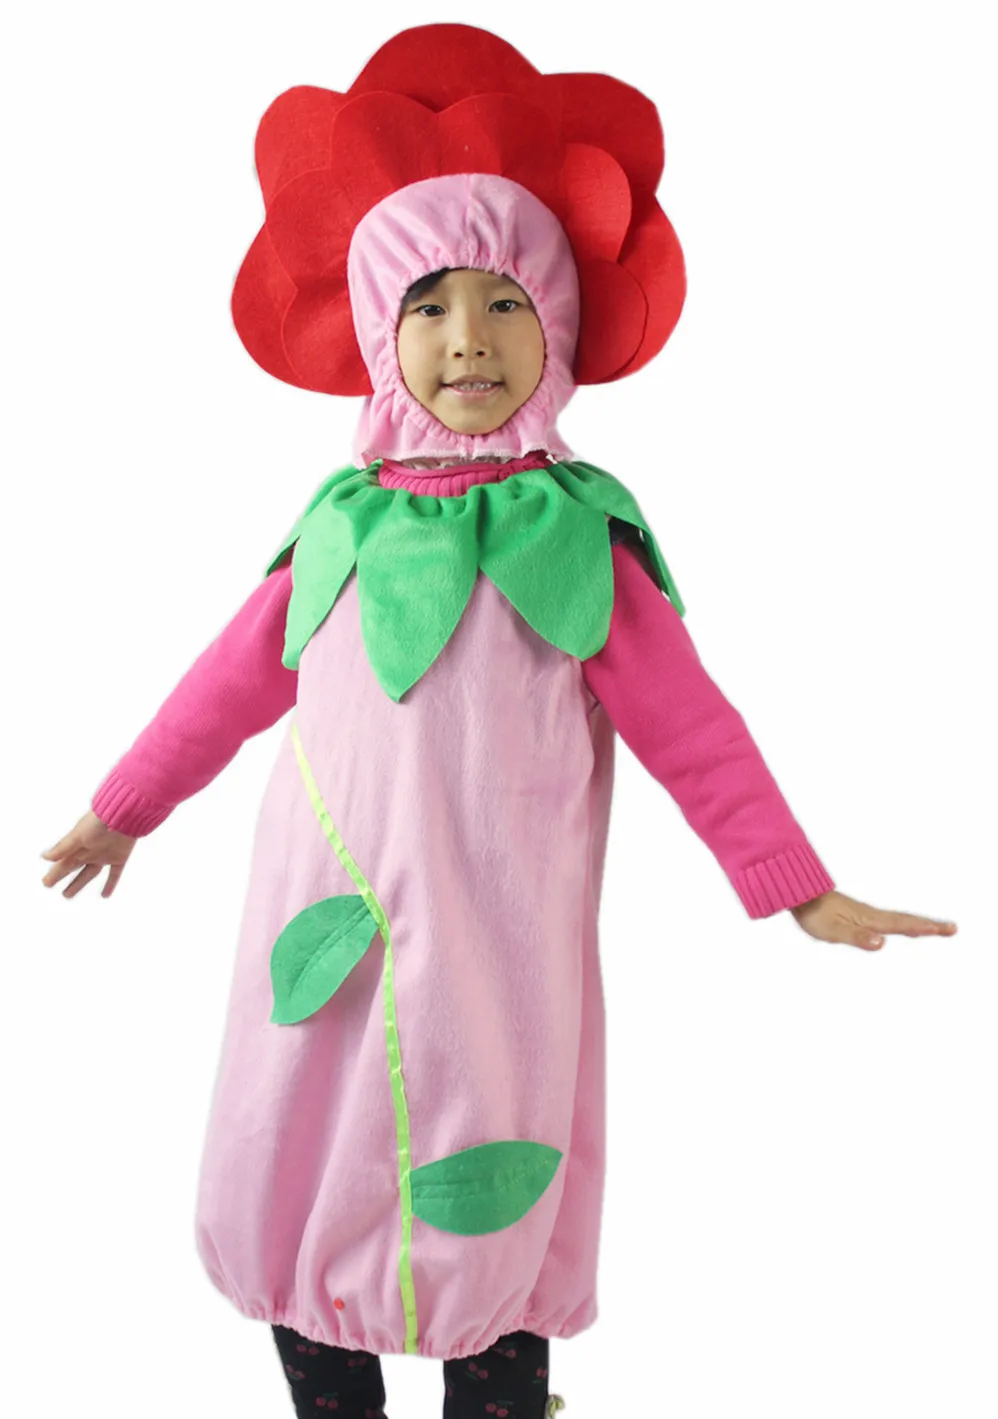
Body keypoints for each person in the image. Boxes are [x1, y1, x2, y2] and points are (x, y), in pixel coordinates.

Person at [39, 24, 957, 1419]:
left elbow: (693, 730)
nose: (467, 337)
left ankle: (501, 1392)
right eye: (427, 306)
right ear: (376, 333)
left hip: (496, 935)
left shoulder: (573, 535)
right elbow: (222, 685)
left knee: (489, 1148)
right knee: (305, 1134)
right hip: (326, 911)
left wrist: (793, 883)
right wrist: (125, 807)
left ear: (558, 327)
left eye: (504, 303)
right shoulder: (339, 525)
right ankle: (330, 1391)